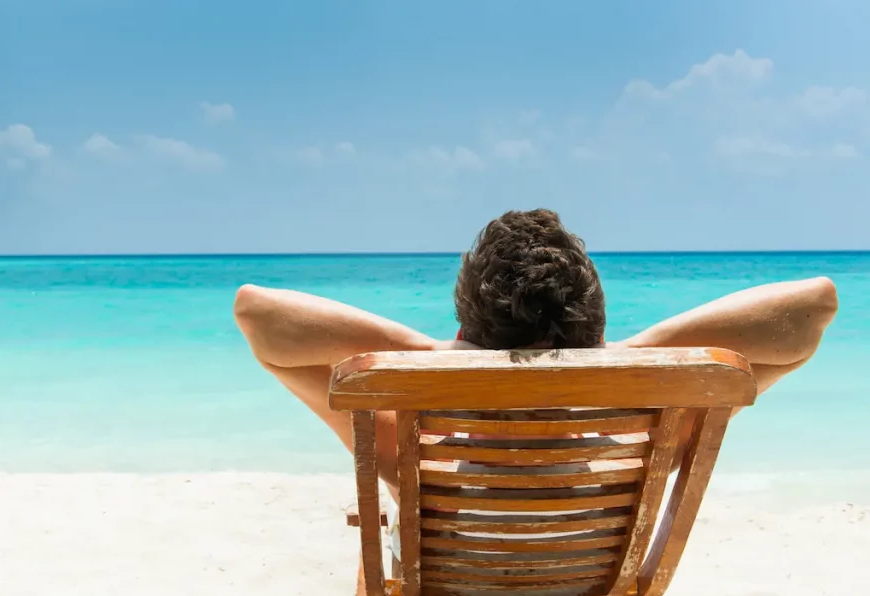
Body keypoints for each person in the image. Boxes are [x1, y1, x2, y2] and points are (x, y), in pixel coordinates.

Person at [233, 209, 838, 493]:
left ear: (467, 327)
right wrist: (626, 352)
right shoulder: (640, 445)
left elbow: (256, 312)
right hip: (589, 581)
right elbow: (815, 304)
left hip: (446, 588)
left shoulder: (411, 453)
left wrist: (431, 353)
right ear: (594, 324)